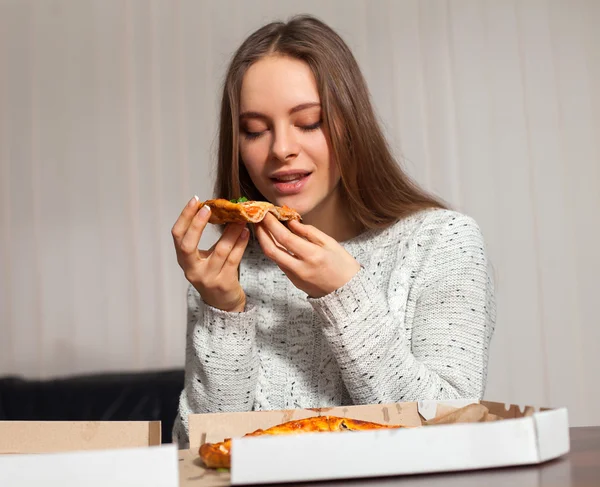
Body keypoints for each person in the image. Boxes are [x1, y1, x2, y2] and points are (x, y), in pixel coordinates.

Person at [170, 14, 495, 448]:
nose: (281, 148)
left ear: (351, 125)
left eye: (308, 122)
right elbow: (199, 454)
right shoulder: (224, 274)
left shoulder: (443, 242)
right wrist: (222, 310)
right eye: (255, 130)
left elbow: (451, 431)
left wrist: (344, 294)